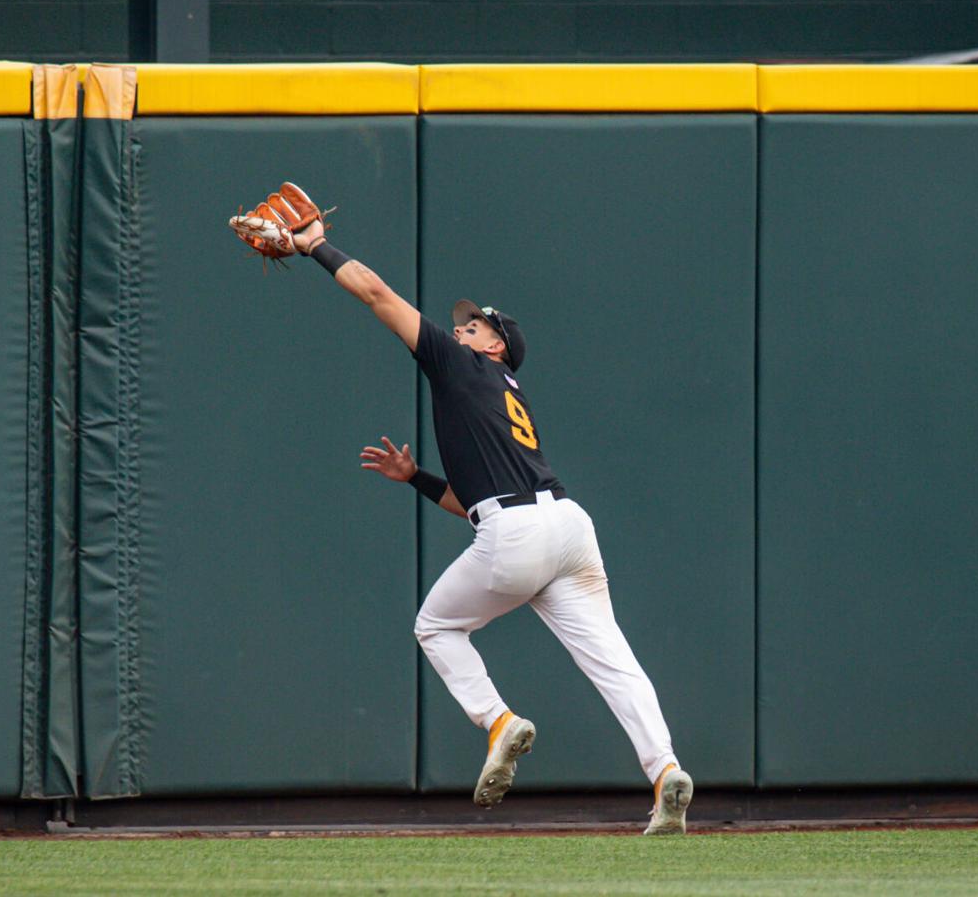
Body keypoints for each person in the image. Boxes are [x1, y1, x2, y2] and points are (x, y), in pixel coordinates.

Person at [290, 212, 693, 835]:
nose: (459, 327)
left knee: (436, 626)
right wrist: (418, 478)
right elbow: (475, 498)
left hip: (517, 534)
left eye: (471, 325)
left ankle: (499, 722)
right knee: (615, 662)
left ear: (493, 344)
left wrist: (317, 246)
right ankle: (665, 771)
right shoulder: (508, 391)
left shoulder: (459, 365)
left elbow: (374, 291)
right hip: (567, 527)